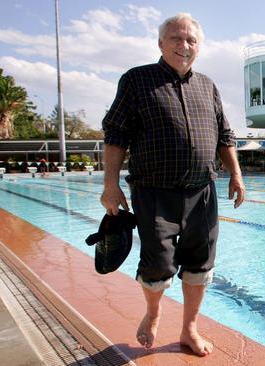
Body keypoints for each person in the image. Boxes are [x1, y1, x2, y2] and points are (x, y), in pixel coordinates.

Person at [100, 13, 245, 357]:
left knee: (200, 263)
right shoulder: (137, 80)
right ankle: (153, 312)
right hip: (154, 191)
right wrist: (110, 185)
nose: (184, 46)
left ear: (199, 47)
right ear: (161, 43)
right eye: (177, 39)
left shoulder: (207, 85)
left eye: (191, 40)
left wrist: (236, 174)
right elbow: (116, 135)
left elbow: (225, 135)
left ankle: (189, 330)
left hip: (202, 191)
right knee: (158, 264)